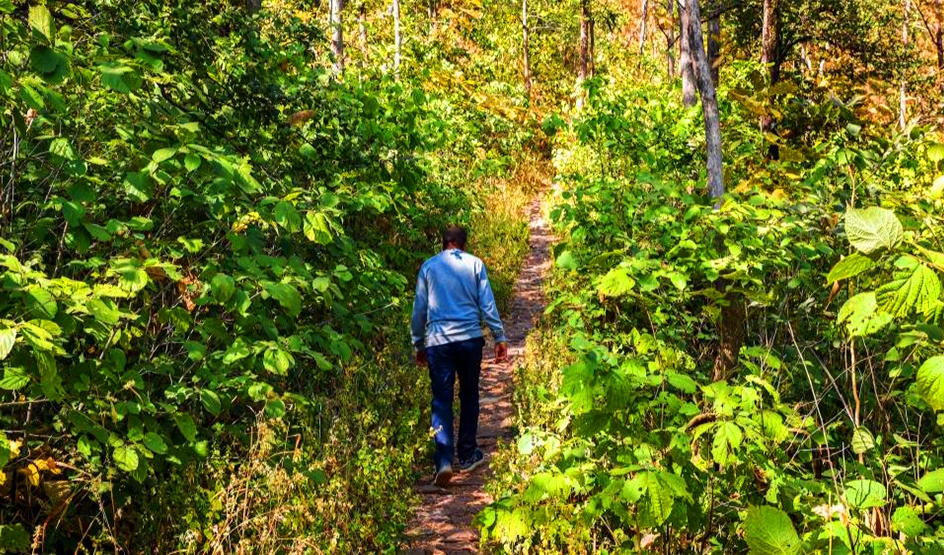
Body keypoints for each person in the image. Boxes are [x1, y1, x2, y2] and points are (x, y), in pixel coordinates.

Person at [411, 226, 508, 487]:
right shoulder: (475, 264)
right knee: (469, 395)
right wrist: (499, 337)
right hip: (468, 340)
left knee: (441, 400)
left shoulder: (429, 267)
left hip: (438, 343)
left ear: (443, 243)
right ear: (464, 244)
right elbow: (487, 304)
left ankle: (443, 460)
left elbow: (419, 309)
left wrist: (418, 344)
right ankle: (466, 454)